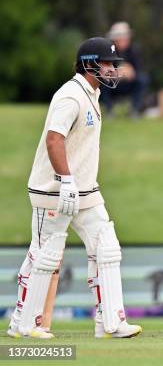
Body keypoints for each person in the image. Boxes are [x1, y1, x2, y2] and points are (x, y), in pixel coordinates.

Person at [7, 37, 142, 339]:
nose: (112, 70)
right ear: (89, 64)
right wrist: (65, 180)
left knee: (106, 247)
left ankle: (110, 322)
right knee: (44, 254)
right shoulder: (71, 95)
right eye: (107, 64)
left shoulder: (91, 94)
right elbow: (54, 139)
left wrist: (76, 182)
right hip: (54, 189)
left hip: (85, 190)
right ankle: (25, 323)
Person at [100, 22, 145, 118]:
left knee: (142, 80)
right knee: (102, 82)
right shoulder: (108, 52)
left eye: (125, 37)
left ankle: (134, 110)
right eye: (120, 37)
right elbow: (103, 72)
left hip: (128, 83)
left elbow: (138, 70)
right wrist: (118, 73)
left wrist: (131, 72)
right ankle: (109, 111)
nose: (124, 40)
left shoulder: (134, 51)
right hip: (113, 84)